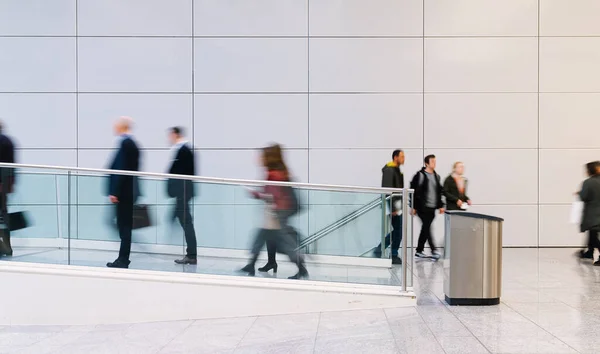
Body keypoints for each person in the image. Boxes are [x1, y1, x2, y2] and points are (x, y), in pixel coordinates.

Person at [241, 144, 308, 280]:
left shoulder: (274, 174)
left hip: (277, 212)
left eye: (262, 156)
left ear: (268, 158)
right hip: (277, 211)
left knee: (283, 241)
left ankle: (301, 268)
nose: (259, 159)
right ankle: (255, 264)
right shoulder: (279, 171)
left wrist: (255, 194)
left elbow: (272, 195)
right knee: (264, 236)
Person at [106, 117, 141, 269]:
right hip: (129, 192)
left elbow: (120, 169)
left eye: (116, 126)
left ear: (122, 127)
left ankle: (123, 259)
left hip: (123, 193)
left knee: (124, 226)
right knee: (124, 225)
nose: (114, 128)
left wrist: (114, 191)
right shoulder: (133, 144)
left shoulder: (125, 144)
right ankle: (123, 258)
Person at [167, 127, 198, 265]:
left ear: (175, 134)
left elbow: (183, 173)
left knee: (186, 223)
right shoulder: (183, 150)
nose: (169, 138)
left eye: (170, 135)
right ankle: (191, 254)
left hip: (183, 193)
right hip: (182, 193)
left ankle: (191, 255)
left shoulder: (184, 150)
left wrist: (176, 192)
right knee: (185, 222)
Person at [373, 149, 405, 264]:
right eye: (401, 156)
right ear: (395, 157)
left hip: (397, 205)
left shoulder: (396, 170)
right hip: (393, 206)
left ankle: (380, 249)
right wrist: (393, 208)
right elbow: (388, 190)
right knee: (398, 231)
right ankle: (392, 253)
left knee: (397, 230)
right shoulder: (390, 170)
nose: (403, 159)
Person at [410, 154, 445, 259]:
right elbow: (414, 192)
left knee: (426, 228)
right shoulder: (420, 175)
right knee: (427, 228)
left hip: (432, 208)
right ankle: (433, 250)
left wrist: (440, 206)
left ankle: (419, 251)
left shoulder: (436, 176)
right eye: (432, 161)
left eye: (435, 161)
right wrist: (413, 206)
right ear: (426, 163)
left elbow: (439, 192)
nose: (434, 163)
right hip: (422, 207)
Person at [577, 161, 600, 264]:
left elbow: (584, 197)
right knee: (592, 234)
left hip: (593, 214)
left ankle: (590, 252)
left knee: (593, 236)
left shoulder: (588, 182)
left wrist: (580, 193)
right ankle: (589, 252)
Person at [0, 121, 16, 256]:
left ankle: (4, 247)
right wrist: (10, 185)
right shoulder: (8, 142)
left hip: (2, 184)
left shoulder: (3, 142)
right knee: (3, 217)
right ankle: (7, 247)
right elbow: (12, 165)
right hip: (4, 186)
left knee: (2, 218)